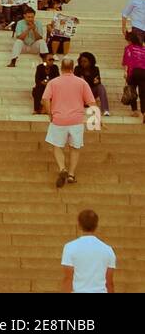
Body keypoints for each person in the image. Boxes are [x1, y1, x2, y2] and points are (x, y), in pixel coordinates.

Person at [42, 58, 96, 188]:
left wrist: (50, 113)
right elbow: (91, 102)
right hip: (76, 120)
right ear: (73, 68)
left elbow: (45, 99)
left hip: (59, 119)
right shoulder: (81, 82)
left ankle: (62, 168)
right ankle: (71, 174)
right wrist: (97, 120)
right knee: (75, 147)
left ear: (61, 68)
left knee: (57, 146)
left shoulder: (54, 82)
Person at [61, 209, 115, 293]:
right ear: (96, 225)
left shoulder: (69, 247)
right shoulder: (108, 250)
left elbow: (68, 279)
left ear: (79, 225)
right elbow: (109, 282)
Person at [73, 51, 109, 117]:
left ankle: (105, 110)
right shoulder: (77, 69)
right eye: (81, 61)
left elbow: (97, 81)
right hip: (81, 93)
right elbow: (75, 83)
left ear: (90, 62)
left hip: (91, 92)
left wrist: (96, 81)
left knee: (101, 87)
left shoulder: (95, 69)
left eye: (85, 61)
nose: (82, 63)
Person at [124, 33, 145, 121]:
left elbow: (127, 60)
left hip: (133, 71)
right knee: (143, 93)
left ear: (130, 40)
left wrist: (126, 72)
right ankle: (144, 111)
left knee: (132, 90)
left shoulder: (129, 48)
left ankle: (135, 111)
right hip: (143, 72)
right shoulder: (143, 49)